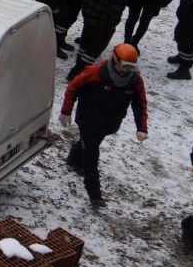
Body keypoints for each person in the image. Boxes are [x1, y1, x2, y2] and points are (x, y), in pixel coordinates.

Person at [60, 43, 147, 208]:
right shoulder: (94, 73)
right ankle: (95, 195)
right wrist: (66, 111)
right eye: (124, 66)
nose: (127, 70)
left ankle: (73, 158)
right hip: (88, 121)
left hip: (108, 124)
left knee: (89, 145)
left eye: (131, 66)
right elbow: (73, 87)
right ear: (115, 60)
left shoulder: (135, 80)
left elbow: (140, 104)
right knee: (91, 156)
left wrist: (142, 127)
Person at [72, 0, 131, 79]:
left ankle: (77, 67)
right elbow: (117, 9)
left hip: (88, 15)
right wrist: (113, 23)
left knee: (84, 43)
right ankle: (78, 73)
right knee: (93, 50)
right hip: (103, 23)